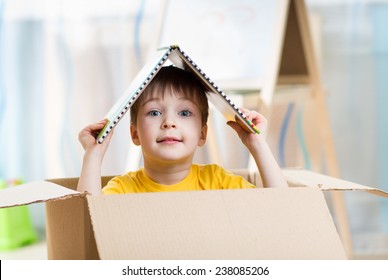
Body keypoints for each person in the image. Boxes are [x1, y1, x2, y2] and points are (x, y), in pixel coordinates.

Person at [77, 66, 288, 195]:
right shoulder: (123, 189)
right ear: (135, 134)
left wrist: (258, 145)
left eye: (185, 113)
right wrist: (93, 155)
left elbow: (280, 210)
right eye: (154, 112)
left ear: (202, 134)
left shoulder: (216, 181)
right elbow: (85, 225)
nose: (169, 122)